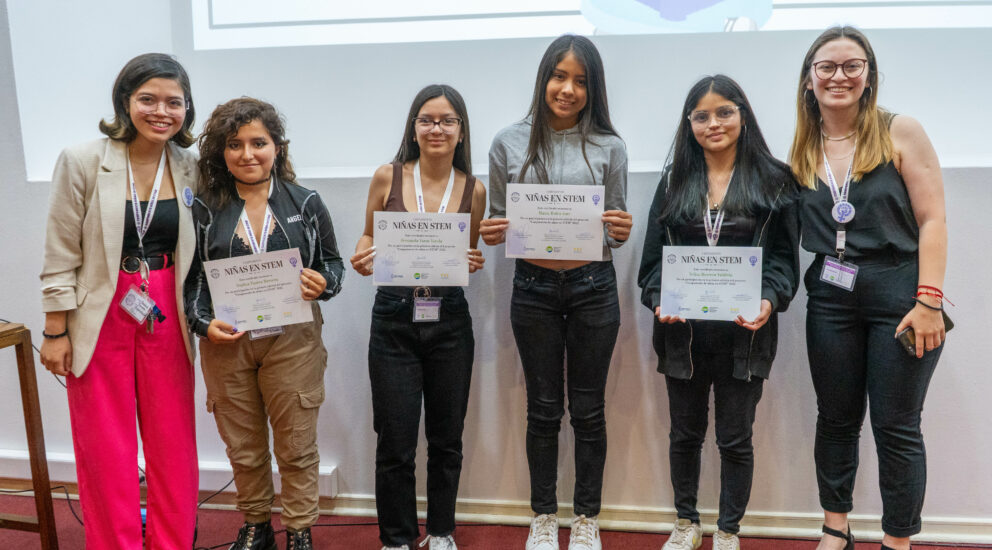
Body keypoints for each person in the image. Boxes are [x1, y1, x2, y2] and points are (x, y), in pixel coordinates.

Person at [790, 26, 948, 550]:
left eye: (852, 65)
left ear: (869, 75)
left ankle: (897, 540)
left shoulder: (901, 131)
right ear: (809, 79)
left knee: (896, 426)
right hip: (831, 295)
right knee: (835, 419)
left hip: (900, 294)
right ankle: (836, 529)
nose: (839, 76)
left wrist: (930, 300)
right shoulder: (801, 143)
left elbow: (933, 220)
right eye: (827, 67)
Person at [39, 53, 199, 549]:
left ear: (187, 110)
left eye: (174, 102)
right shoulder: (83, 159)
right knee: (106, 448)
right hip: (99, 312)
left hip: (165, 309)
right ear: (125, 101)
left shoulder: (191, 168)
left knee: (173, 444)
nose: (161, 111)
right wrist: (55, 330)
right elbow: (61, 249)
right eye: (147, 99)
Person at [480, 34, 632, 550]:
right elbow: (498, 217)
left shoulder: (611, 146)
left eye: (581, 81)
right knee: (543, 408)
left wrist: (621, 228)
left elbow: (613, 228)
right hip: (533, 287)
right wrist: (492, 230)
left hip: (593, 286)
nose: (567, 89)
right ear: (544, 79)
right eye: (559, 76)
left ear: (594, 89)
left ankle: (586, 516)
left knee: (589, 409)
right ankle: (544, 516)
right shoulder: (507, 141)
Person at [637, 75, 800, 550]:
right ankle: (686, 523)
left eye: (725, 111)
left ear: (742, 115)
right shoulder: (673, 182)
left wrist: (770, 300)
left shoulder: (774, 180)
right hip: (682, 335)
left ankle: (728, 531)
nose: (714, 123)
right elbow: (651, 266)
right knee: (684, 436)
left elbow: (784, 262)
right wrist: (658, 299)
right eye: (702, 115)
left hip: (744, 337)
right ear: (689, 124)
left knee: (735, 440)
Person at [185, 97, 344, 550]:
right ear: (221, 151)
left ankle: (298, 528)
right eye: (235, 144)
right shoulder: (205, 207)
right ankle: (255, 524)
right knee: (244, 444)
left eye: (259, 142)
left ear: (278, 147)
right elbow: (193, 275)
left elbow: (333, 264)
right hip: (227, 341)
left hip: (293, 341)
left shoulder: (306, 201)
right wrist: (201, 324)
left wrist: (323, 283)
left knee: (296, 443)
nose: (248, 154)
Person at [350, 84, 487, 550]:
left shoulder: (475, 188)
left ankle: (442, 533)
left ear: (461, 131)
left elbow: (468, 252)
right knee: (395, 441)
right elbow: (367, 238)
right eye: (427, 119)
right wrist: (363, 255)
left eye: (447, 121)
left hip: (449, 320)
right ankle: (396, 539)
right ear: (413, 127)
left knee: (447, 439)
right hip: (393, 319)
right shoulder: (386, 177)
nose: (436, 128)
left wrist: (472, 261)